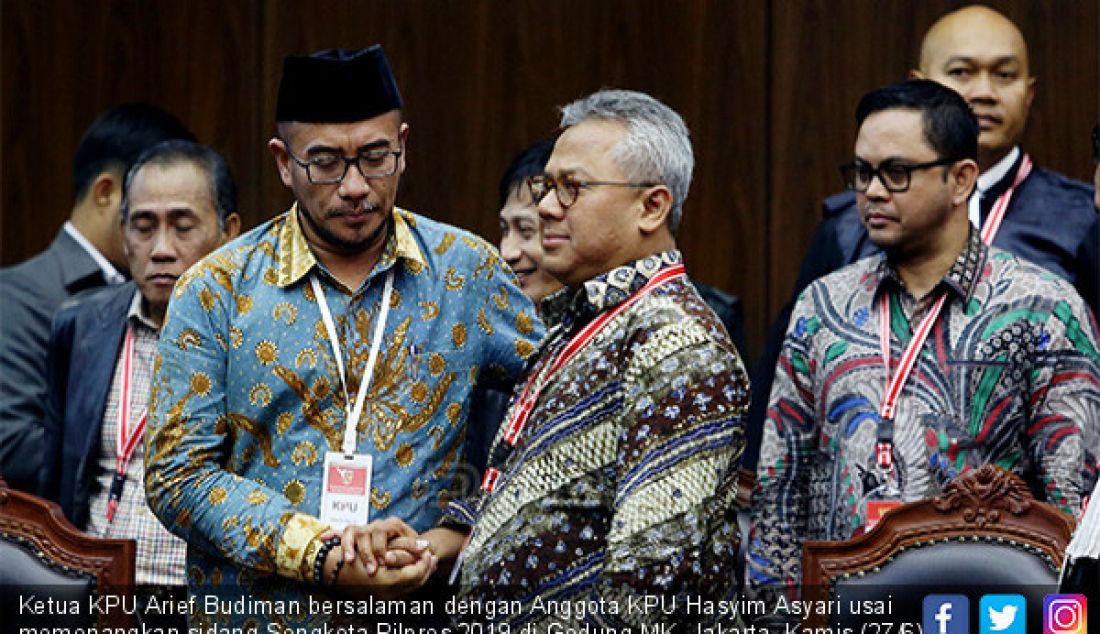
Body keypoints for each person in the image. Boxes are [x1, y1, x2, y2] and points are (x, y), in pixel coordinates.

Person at [143, 46, 543, 628]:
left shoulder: (466, 273)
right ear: (283, 162)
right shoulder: (215, 290)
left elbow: (558, 404)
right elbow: (177, 473)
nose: (356, 187)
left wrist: (462, 526)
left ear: (403, 147)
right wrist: (320, 553)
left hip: (417, 612)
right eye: (326, 163)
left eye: (376, 158)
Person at [372, 89, 750, 628]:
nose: (547, 205)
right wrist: (433, 545)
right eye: (549, 186)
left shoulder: (679, 343)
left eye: (572, 188)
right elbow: (536, 495)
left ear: (651, 207)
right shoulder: (583, 319)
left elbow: (649, 584)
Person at [744, 79, 1100, 617]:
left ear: (961, 179)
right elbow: (780, 486)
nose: (872, 192)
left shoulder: (1044, 309)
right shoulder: (823, 305)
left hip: (985, 614)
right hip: (837, 613)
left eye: (897, 172)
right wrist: (777, 617)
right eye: (861, 172)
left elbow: (1069, 509)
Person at [746, 5, 1099, 472]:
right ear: (920, 83)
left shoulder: (1080, 220)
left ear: (1030, 93)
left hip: (1003, 521)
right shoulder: (851, 224)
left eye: (1004, 75)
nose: (984, 92)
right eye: (962, 72)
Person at [39, 140, 240, 625]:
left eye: (183, 225)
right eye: (143, 227)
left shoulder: (258, 340)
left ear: (229, 233)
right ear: (123, 234)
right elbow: (56, 482)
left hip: (205, 600)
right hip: (97, 595)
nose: (162, 250)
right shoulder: (80, 328)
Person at [0, 104, 194, 493]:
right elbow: (10, 441)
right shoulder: (20, 295)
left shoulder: (162, 292)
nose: (162, 244)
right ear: (108, 193)